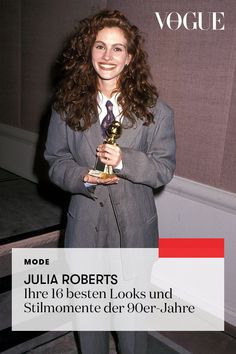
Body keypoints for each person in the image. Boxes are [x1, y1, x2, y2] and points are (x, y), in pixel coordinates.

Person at [44, 9, 176, 354]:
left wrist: (125, 160)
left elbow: (163, 169)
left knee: (131, 323)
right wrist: (80, 176)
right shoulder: (65, 106)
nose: (107, 56)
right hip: (84, 226)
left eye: (117, 49)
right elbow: (55, 161)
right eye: (100, 46)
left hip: (134, 230)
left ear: (130, 57)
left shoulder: (157, 112)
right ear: (89, 52)